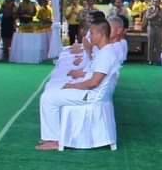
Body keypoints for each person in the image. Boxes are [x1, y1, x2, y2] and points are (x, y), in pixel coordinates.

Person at [36, 20, 119, 151]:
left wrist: (73, 86)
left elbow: (94, 83)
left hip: (91, 95)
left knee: (48, 98)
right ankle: (53, 137)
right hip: (91, 92)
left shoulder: (106, 54)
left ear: (101, 34)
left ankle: (55, 140)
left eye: (92, 33)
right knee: (51, 91)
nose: (89, 36)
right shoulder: (104, 51)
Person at [144, 0, 162, 64]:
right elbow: (147, 17)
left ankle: (158, 59)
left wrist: (159, 14)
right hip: (151, 27)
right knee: (150, 44)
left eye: (157, 1)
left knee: (158, 44)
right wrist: (154, 14)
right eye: (154, 1)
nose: (155, 3)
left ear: (159, 2)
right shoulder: (150, 9)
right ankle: (150, 59)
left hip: (159, 28)